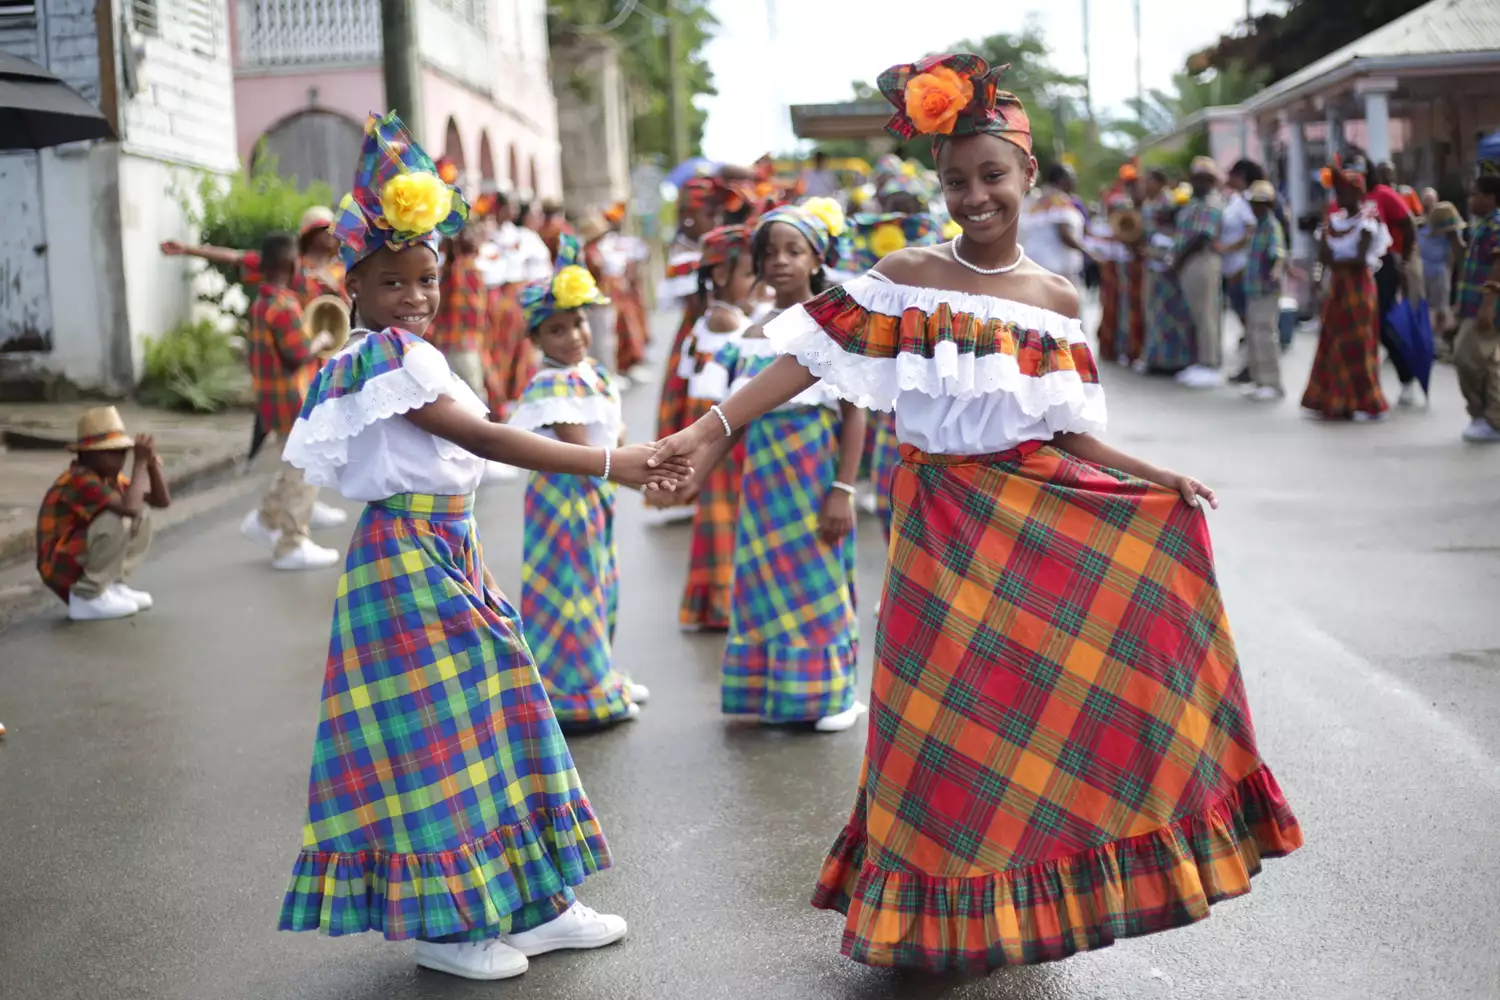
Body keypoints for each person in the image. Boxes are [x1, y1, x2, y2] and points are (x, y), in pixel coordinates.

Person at [648, 53, 1301, 973]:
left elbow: (1069, 436)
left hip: (1034, 525)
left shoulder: (1057, 301)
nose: (974, 195)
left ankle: (1019, 913)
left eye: (992, 175)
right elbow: (808, 361)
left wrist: (1160, 476)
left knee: (1035, 719)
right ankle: (932, 918)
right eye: (955, 180)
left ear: (1029, 174)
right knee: (936, 727)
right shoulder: (905, 273)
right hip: (939, 527)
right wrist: (712, 427)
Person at [276, 112, 691, 982]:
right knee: (444, 740)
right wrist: (614, 460)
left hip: (442, 549)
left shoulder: (411, 349)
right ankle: (450, 926)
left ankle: (535, 906)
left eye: (426, 276)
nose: (417, 294)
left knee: (504, 712)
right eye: (393, 280)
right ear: (355, 285)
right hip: (406, 560)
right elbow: (491, 439)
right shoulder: (381, 357)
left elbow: (476, 443)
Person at [690, 203, 867, 732]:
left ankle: (833, 694)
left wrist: (843, 488)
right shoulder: (749, 335)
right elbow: (731, 422)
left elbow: (855, 414)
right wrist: (693, 475)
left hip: (816, 481)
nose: (780, 262)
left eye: (794, 250)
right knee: (766, 585)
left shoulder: (835, 327)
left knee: (819, 581)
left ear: (818, 257)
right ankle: (779, 693)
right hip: (763, 488)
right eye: (769, 253)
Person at [509, 235, 651, 727]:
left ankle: (597, 673)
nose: (572, 337)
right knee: (571, 589)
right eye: (556, 330)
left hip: (593, 488)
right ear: (537, 339)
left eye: (578, 323)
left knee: (597, 582)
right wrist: (634, 471)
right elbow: (578, 448)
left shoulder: (588, 371)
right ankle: (575, 693)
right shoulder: (553, 382)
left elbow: (610, 428)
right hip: (567, 493)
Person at [667, 223, 759, 630]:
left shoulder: (715, 316)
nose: (759, 283)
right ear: (721, 276)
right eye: (749, 274)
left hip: (716, 425)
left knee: (720, 517)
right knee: (727, 517)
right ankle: (724, 603)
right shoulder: (728, 322)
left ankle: (716, 601)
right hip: (724, 431)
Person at [238, 231, 342, 570]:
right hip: (292, 398)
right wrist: (322, 338)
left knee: (293, 464)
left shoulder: (261, 302)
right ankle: (291, 543)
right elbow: (298, 353)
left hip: (271, 398)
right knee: (305, 467)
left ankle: (267, 519)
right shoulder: (283, 305)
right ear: (289, 264)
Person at [36, 406, 171, 621]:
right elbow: (128, 508)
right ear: (87, 454)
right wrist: (139, 464)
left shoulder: (110, 479)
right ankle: (87, 595)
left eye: (123, 453)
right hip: (60, 565)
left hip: (78, 555)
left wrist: (152, 466)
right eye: (111, 452)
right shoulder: (79, 479)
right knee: (118, 518)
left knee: (143, 513)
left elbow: (161, 501)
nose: (120, 459)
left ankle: (112, 585)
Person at [1300, 169, 1391, 421]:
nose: (1339, 196)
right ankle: (1335, 400)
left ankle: (1365, 401)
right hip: (1337, 286)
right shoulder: (1333, 222)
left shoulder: (1366, 222)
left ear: (1357, 192)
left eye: (1344, 191)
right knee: (1333, 340)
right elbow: (1324, 256)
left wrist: (1334, 257)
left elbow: (1359, 258)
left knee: (1359, 342)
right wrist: (1321, 273)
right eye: (1337, 191)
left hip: (1359, 286)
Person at [656, 176, 725, 443]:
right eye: (709, 214)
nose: (716, 221)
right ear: (688, 217)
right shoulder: (687, 259)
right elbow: (702, 311)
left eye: (719, 214)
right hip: (703, 341)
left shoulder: (710, 249)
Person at [1368, 161, 1422, 406]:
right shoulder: (1342, 200)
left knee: (1382, 323)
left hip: (1385, 266)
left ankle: (1407, 376)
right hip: (1352, 273)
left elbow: (1409, 223)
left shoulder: (1385, 195)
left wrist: (1405, 258)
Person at [1453, 170, 1500, 443]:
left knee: (1465, 358)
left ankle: (1487, 417)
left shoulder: (1496, 225)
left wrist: (1488, 304)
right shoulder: (1483, 224)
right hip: (1474, 305)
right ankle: (1491, 418)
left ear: (1490, 197)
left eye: (1475, 194)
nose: (1470, 199)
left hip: (1485, 307)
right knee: (1486, 363)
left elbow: (1498, 264)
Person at [1172, 157, 1226, 387]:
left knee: (1206, 314)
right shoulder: (1194, 203)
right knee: (1195, 313)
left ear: (1212, 181)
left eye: (1203, 178)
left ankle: (1210, 363)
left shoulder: (1211, 204)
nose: (1197, 183)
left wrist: (1179, 260)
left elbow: (1202, 236)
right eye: (1195, 178)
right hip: (1188, 263)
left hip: (1200, 261)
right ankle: (1200, 360)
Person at [1142, 180, 1197, 374]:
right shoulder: (1161, 234)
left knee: (1173, 324)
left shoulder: (1174, 236)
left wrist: (1154, 253)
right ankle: (1158, 360)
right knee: (1158, 323)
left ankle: (1174, 362)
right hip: (1159, 281)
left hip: (1169, 282)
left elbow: (1168, 257)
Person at [430, 226, 489, 396]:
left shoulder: (453, 270)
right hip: (462, 345)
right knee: (473, 396)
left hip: (452, 344)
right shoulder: (462, 270)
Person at [1219, 160, 1264, 383]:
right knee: (1245, 321)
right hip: (1232, 267)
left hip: (1241, 267)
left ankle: (1253, 367)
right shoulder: (1236, 199)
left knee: (1250, 322)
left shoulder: (1248, 200)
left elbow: (1250, 232)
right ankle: (1251, 365)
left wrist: (1225, 248)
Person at [1242, 181, 1287, 401]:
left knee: (1265, 335)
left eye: (1261, 203)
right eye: (1254, 203)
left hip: (1266, 289)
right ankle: (1260, 380)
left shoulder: (1271, 225)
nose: (1256, 207)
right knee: (1253, 335)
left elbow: (1277, 253)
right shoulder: (1257, 227)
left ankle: (1271, 382)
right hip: (1253, 289)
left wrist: (1276, 270)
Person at [1022, 162, 1086, 292]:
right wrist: (1089, 253)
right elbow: (1065, 234)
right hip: (1058, 272)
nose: (1075, 181)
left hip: (1033, 266)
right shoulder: (1060, 201)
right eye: (1072, 177)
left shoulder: (1036, 199)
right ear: (1062, 180)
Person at [1417, 198, 1465, 356]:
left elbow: (1456, 254)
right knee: (1422, 305)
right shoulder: (1422, 227)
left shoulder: (1452, 233)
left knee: (1441, 307)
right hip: (1423, 269)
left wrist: (1450, 269)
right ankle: (1425, 337)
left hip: (1439, 270)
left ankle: (1437, 338)